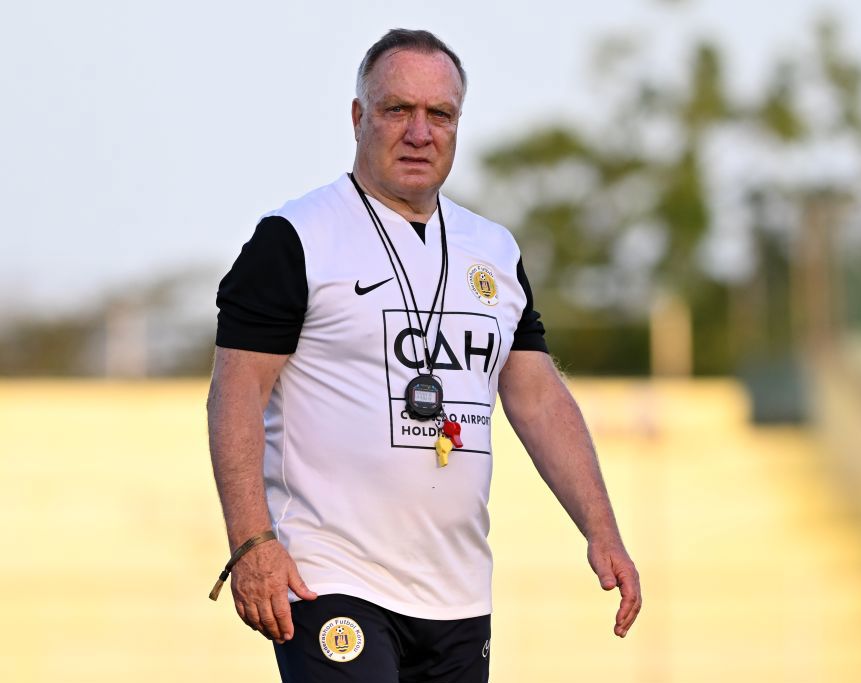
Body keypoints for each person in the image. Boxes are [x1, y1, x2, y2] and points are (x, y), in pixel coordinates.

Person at [207, 28, 641, 682]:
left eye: (439, 114)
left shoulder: (491, 249)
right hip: (330, 576)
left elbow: (537, 395)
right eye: (397, 110)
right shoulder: (295, 237)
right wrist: (251, 541)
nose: (420, 131)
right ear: (358, 117)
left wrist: (601, 527)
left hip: (457, 591)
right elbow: (235, 394)